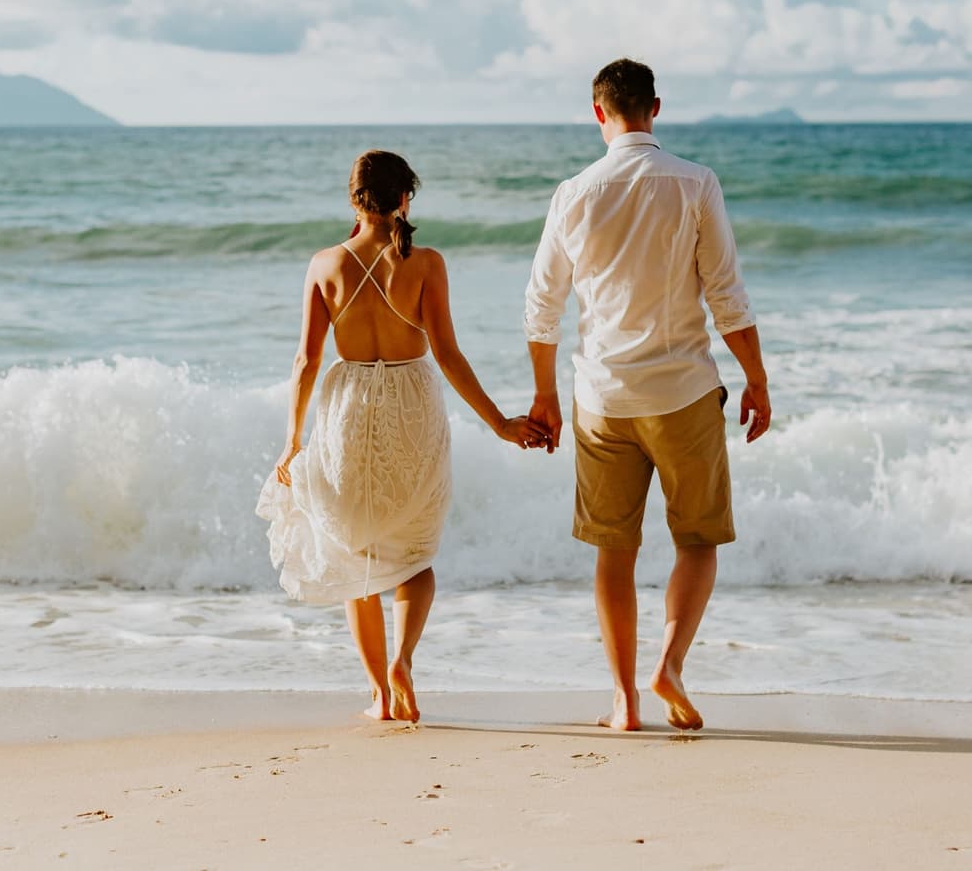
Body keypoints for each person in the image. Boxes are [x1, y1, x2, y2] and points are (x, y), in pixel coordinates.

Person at [523, 58, 772, 732]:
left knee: (615, 548)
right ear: (655, 108)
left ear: (598, 113)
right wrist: (757, 378)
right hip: (685, 391)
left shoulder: (573, 193)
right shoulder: (695, 182)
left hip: (602, 397)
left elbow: (541, 306)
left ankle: (625, 701)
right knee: (696, 541)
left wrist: (545, 396)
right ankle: (670, 663)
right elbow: (726, 293)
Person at [257, 149, 544, 723]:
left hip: (347, 411)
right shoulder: (428, 264)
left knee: (352, 555)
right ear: (405, 197)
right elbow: (449, 354)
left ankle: (380, 697)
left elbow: (305, 360)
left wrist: (292, 439)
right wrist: (500, 424)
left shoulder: (324, 265)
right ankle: (404, 662)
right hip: (413, 407)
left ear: (353, 199)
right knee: (415, 551)